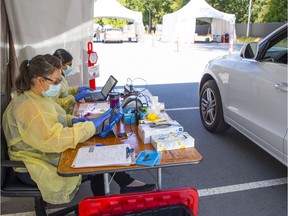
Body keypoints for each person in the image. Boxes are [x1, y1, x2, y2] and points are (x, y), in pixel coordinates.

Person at [2, 55, 155, 205]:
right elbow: (55, 140)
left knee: (96, 149)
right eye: (56, 81)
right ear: (39, 80)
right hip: (34, 164)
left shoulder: (36, 96)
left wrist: (74, 120)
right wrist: (89, 126)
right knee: (97, 159)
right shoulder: (29, 107)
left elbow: (56, 116)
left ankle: (116, 191)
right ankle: (102, 204)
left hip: (40, 152)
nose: (59, 84)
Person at [51, 48, 92, 114]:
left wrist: (77, 89)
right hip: (62, 114)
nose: (71, 67)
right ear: (60, 64)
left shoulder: (61, 76)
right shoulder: (52, 81)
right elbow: (55, 103)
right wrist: (74, 98)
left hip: (69, 110)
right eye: (69, 65)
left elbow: (65, 90)